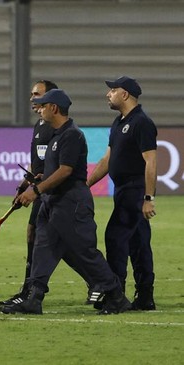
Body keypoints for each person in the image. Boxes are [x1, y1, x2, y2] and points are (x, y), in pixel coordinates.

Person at [2, 89, 132, 315]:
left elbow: (66, 171)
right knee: (43, 249)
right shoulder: (56, 135)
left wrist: (36, 190)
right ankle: (34, 297)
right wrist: (41, 178)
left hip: (71, 201)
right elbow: (56, 170)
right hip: (52, 200)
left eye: (43, 105)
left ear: (54, 108)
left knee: (84, 252)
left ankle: (115, 295)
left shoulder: (72, 135)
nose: (39, 109)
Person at [87, 76, 158, 311]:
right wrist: (85, 184)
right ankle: (145, 295)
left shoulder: (141, 123)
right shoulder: (119, 123)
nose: (108, 94)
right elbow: (107, 160)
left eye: (112, 90)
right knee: (138, 242)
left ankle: (115, 296)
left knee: (115, 237)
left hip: (135, 189)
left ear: (125, 94)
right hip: (123, 190)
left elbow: (151, 162)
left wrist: (148, 198)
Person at [0, 80, 58, 306]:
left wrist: (37, 187)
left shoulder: (56, 126)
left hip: (49, 192)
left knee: (63, 243)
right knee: (37, 235)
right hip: (37, 189)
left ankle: (30, 289)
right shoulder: (40, 124)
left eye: (37, 94)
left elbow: (56, 164)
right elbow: (38, 162)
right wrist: (25, 183)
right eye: (32, 94)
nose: (32, 98)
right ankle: (29, 287)